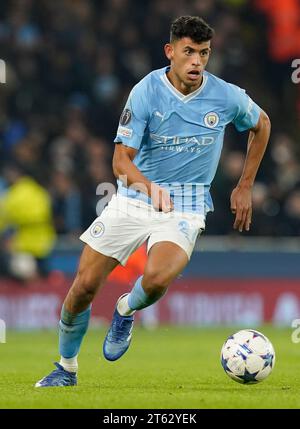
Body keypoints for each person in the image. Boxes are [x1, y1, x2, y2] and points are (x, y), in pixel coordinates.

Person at [35, 16, 271, 387]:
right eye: (189, 52)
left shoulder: (225, 96)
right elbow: (119, 161)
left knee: (158, 278)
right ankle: (66, 368)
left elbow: (262, 124)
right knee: (83, 286)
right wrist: (150, 189)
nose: (197, 61)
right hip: (134, 196)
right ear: (171, 51)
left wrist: (244, 186)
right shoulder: (146, 91)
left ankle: (126, 309)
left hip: (188, 202)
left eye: (204, 53)